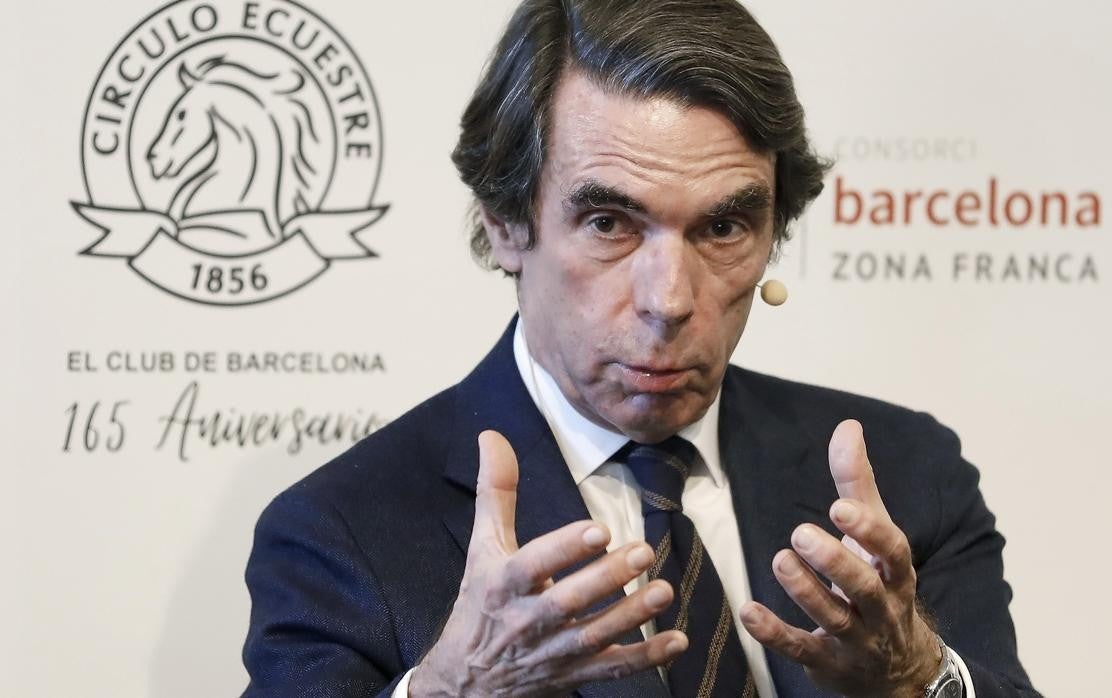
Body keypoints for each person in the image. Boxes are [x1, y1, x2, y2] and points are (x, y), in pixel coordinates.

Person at [242, 1, 1040, 696]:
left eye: (723, 226)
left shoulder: (906, 477)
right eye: (609, 224)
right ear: (505, 222)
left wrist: (918, 677)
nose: (670, 300)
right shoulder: (341, 532)